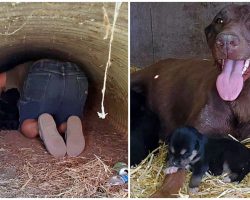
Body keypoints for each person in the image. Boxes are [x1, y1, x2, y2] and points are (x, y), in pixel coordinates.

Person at [0, 59, 88, 157]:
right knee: (67, 117)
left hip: (44, 74)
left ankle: (39, 126)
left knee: (27, 126)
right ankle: (65, 126)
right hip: (77, 76)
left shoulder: (21, 69)